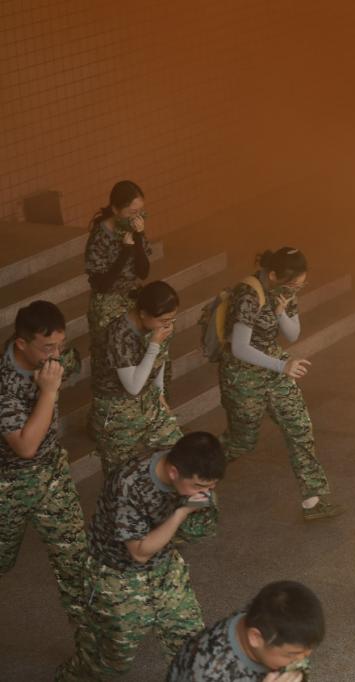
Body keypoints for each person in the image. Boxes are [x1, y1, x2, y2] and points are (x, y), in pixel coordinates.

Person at [57, 432, 226, 680]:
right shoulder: (129, 483)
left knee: (191, 649)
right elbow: (139, 553)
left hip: (166, 568)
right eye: (199, 487)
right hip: (117, 576)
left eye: (211, 486)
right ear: (173, 473)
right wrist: (181, 513)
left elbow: (197, 531)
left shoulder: (188, 464)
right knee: (110, 663)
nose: (205, 493)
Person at [217, 247, 338, 521]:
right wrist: (282, 366)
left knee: (299, 426)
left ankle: (313, 500)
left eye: (301, 285)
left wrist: (282, 312)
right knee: (241, 441)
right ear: (272, 275)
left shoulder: (286, 292)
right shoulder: (248, 294)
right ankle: (191, 472)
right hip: (242, 374)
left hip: (273, 363)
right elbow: (239, 348)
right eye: (294, 284)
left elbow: (293, 334)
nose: (297, 289)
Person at [0, 301, 87, 625]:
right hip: (8, 484)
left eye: (60, 344)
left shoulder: (55, 357)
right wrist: (48, 392)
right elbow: (25, 446)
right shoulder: (4, 383)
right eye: (48, 347)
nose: (56, 354)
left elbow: (72, 361)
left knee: (76, 562)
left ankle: (91, 644)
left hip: (52, 474)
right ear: (22, 343)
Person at [88, 280, 181, 477]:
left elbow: (159, 360)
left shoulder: (158, 327)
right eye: (163, 320)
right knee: (121, 477)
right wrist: (154, 344)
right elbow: (133, 386)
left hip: (149, 401)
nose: (168, 324)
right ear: (143, 313)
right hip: (117, 412)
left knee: (180, 456)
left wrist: (160, 394)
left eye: (172, 318)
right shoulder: (119, 334)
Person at [167, 580, 325, 681]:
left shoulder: (265, 616)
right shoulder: (208, 673)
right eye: (291, 655)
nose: (300, 660)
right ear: (255, 637)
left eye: (307, 653)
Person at [84, 180, 152, 342]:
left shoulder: (135, 229)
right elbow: (102, 284)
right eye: (132, 212)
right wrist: (125, 251)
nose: (137, 217)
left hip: (133, 300)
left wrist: (138, 236)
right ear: (115, 209)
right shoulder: (100, 236)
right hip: (108, 306)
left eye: (140, 211)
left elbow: (143, 272)